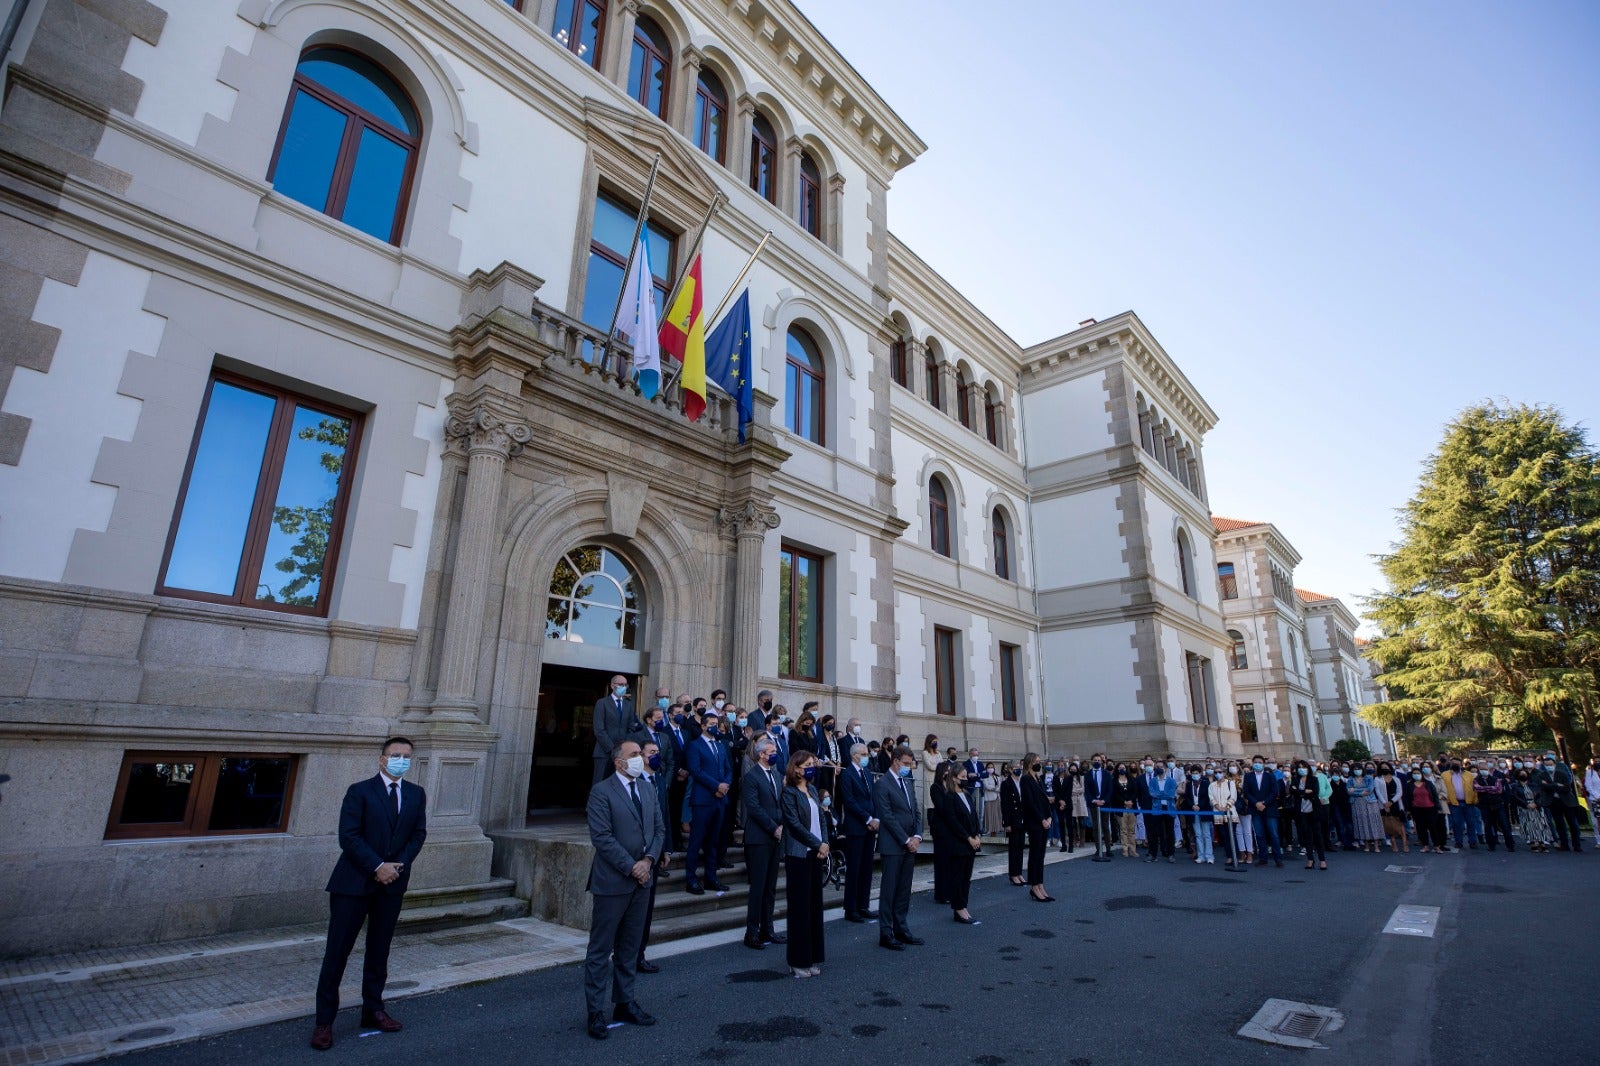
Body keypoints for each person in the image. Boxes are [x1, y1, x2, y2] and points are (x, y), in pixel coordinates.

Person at [311, 737, 427, 1051]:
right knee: (337, 952)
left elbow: (418, 834)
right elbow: (349, 836)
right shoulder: (359, 791)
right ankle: (324, 1021)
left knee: (379, 950)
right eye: (396, 755)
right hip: (353, 883)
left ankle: (373, 1009)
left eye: (406, 756)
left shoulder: (416, 794)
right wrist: (378, 866)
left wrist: (397, 866)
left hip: (392, 884)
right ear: (382, 759)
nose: (401, 760)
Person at [581, 740, 661, 1040]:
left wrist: (648, 860)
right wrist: (632, 866)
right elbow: (602, 837)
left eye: (641, 753)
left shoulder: (648, 789)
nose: (640, 758)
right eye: (634, 754)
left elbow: (659, 829)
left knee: (629, 947)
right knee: (601, 949)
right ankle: (595, 1010)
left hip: (642, 881)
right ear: (618, 762)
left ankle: (624, 1002)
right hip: (613, 882)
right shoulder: (602, 792)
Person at [778, 751, 828, 979]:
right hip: (799, 854)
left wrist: (825, 842)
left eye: (812, 764)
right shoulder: (789, 793)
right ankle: (797, 960)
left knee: (814, 907)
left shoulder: (812, 791)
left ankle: (812, 956)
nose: (811, 768)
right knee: (799, 909)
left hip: (816, 853)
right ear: (796, 768)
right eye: (807, 764)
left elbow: (822, 819)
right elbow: (795, 825)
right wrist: (818, 844)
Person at [872, 745, 925, 950]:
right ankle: (886, 932)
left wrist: (917, 836)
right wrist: (905, 840)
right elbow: (887, 816)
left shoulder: (907, 782)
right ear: (895, 761)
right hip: (893, 845)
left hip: (910, 845)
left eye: (910, 764)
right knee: (889, 890)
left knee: (904, 889)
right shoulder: (882, 784)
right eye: (905, 763)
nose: (908, 767)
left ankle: (901, 927)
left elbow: (916, 812)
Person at [740, 736, 785, 950]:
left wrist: (782, 825)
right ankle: (752, 932)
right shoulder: (751, 777)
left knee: (770, 887)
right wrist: (773, 827)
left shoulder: (776, 775)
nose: (774, 755)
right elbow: (754, 808)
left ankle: (768, 928)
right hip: (759, 838)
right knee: (758, 887)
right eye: (771, 752)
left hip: (775, 837)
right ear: (761, 754)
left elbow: (780, 803)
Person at [683, 710, 732, 894]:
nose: (714, 727)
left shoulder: (719, 746)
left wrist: (725, 785)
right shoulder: (695, 745)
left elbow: (728, 769)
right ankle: (691, 879)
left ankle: (711, 878)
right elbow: (696, 771)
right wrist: (716, 786)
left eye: (715, 724)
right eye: (710, 724)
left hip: (720, 800)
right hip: (703, 799)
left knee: (713, 841)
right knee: (696, 841)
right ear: (703, 726)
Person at [635, 739, 671, 974]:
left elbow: (664, 817)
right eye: (651, 752)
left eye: (658, 752)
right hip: (637, 855)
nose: (656, 756)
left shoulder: (659, 780)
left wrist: (666, 848)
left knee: (647, 908)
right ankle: (627, 953)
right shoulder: (635, 781)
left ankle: (640, 954)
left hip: (655, 852)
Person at [932, 762, 983, 925]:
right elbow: (953, 821)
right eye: (962, 777)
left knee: (966, 877)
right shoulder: (949, 797)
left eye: (966, 776)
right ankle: (958, 908)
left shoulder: (967, 795)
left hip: (971, 842)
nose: (965, 779)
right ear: (954, 778)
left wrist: (977, 835)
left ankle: (963, 906)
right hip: (959, 843)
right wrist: (968, 838)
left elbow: (974, 816)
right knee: (958, 877)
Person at [838, 742, 879, 923]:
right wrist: (867, 819)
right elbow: (850, 801)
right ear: (854, 755)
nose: (866, 757)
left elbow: (873, 798)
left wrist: (876, 818)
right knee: (854, 868)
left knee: (866, 868)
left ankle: (863, 905)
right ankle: (851, 908)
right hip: (856, 827)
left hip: (870, 827)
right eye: (863, 754)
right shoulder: (847, 774)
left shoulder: (868, 773)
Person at [592, 675, 643, 784]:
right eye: (620, 684)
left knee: (620, 783)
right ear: (612, 686)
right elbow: (599, 730)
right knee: (600, 783)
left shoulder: (628, 705)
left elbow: (631, 728)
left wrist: (624, 749)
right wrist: (612, 749)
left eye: (625, 685)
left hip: (622, 755)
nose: (623, 687)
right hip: (604, 752)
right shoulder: (602, 703)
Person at [1531, 753, 1585, 852]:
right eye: (1546, 765)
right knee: (1559, 824)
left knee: (1573, 824)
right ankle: (1564, 844)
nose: (1549, 766)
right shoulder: (1542, 775)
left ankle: (1576, 845)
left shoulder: (1562, 774)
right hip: (1553, 802)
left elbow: (1567, 788)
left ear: (1554, 764)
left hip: (1567, 801)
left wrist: (1551, 785)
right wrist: (1557, 785)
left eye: (1550, 764)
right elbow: (1543, 788)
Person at [1019, 754, 1054, 901]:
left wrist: (1049, 816)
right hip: (1034, 822)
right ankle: (1034, 886)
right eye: (1036, 762)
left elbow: (1043, 799)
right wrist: (1041, 819)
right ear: (1029, 763)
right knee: (1035, 855)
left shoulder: (1038, 778)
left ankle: (1040, 884)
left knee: (1041, 855)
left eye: (1040, 762)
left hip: (1044, 820)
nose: (1039, 764)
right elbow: (1030, 803)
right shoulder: (1026, 779)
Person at [1242, 757, 1284, 867]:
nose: (1257, 764)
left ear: (1264, 764)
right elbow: (1246, 792)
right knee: (1259, 834)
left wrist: (1264, 803)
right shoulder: (1248, 776)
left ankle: (1278, 859)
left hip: (1269, 808)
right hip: (1255, 808)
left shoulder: (1270, 776)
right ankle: (1263, 858)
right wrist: (1256, 803)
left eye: (1260, 762)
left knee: (1273, 834)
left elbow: (1274, 792)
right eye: (1255, 762)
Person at [1288, 761, 1327, 870]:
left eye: (1304, 767)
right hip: (1301, 811)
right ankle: (1310, 859)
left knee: (1317, 835)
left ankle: (1322, 860)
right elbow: (1292, 791)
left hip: (1313, 810)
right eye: (1299, 767)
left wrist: (1300, 792)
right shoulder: (1295, 779)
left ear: (1308, 768)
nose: (1302, 769)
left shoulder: (1313, 779)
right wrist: (1305, 792)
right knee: (1307, 835)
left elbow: (1315, 792)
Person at [1440, 758, 1481, 850]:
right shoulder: (1445, 775)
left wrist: (1475, 800)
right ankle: (1458, 842)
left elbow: (1474, 788)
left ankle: (1473, 842)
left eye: (1457, 763)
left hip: (1468, 802)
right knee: (1456, 824)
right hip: (1454, 803)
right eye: (1453, 763)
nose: (1455, 765)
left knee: (1471, 823)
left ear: (1461, 764)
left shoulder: (1469, 775)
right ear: (1450, 764)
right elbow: (1443, 788)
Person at [1509, 767, 1553, 851]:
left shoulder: (1534, 785)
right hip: (1524, 808)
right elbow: (1515, 797)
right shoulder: (1515, 786)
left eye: (1524, 773)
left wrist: (1536, 803)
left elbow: (1540, 795)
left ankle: (1542, 842)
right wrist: (1526, 804)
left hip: (1537, 807)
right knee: (1529, 825)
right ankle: (1533, 842)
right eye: (1521, 774)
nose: (1523, 775)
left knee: (1540, 825)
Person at [1179, 764, 1215, 863]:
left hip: (1204, 810)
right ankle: (1201, 855)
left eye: (1196, 773)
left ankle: (1209, 856)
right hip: (1193, 811)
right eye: (1193, 773)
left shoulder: (1206, 783)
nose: (1195, 775)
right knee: (1198, 834)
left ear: (1200, 773)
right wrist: (1192, 806)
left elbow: (1207, 797)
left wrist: (1199, 805)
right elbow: (1187, 797)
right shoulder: (1189, 784)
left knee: (1206, 834)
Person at [1144, 760, 1178, 863]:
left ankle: (1171, 854)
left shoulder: (1171, 781)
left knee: (1170, 832)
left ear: (1165, 768)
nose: (1159, 769)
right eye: (1157, 767)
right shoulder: (1153, 781)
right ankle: (1153, 854)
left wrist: (1160, 794)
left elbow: (1171, 795)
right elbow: (1152, 793)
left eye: (1161, 767)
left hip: (1169, 808)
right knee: (1154, 832)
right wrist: (1163, 794)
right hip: (1157, 808)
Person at [1474, 762, 1513, 852]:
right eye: (1481, 769)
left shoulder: (1495, 779)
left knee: (1504, 825)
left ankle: (1510, 845)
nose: (1484, 771)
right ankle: (1491, 845)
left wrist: (1485, 788)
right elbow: (1477, 788)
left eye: (1485, 769)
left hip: (1497, 804)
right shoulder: (1476, 780)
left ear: (1488, 770)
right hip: (1485, 805)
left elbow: (1499, 790)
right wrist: (1491, 788)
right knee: (1488, 826)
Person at [1408, 764, 1447, 853]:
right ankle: (1425, 845)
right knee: (1421, 828)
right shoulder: (1410, 785)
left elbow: (1435, 795)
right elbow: (1408, 797)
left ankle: (1437, 846)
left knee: (1433, 828)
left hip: (1430, 809)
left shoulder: (1428, 783)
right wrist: (1409, 810)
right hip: (1417, 809)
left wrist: (1437, 806)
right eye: (1414, 773)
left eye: (1418, 773)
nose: (1416, 775)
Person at [1347, 764, 1384, 852]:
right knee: (1361, 823)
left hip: (1370, 803)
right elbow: (1349, 791)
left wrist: (1355, 790)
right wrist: (1361, 792)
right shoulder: (1350, 779)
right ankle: (1366, 845)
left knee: (1373, 822)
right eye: (1355, 769)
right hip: (1357, 804)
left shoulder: (1368, 778)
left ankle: (1376, 846)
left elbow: (1370, 789)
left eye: (1359, 768)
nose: (1357, 770)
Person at [1000, 761, 1026, 884]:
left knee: (1020, 846)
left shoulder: (1022, 782)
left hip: (1022, 817)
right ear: (1010, 770)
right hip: (1012, 818)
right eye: (1016, 768)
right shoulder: (1006, 784)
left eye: (1019, 768)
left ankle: (1019, 872)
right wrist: (1007, 823)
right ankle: (1013, 874)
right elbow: (1004, 804)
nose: (1018, 770)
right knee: (1014, 847)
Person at [1209, 764, 1239, 867]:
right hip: (1218, 813)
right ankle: (1229, 856)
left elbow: (1233, 796)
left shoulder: (1230, 783)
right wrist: (1217, 806)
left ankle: (1236, 856)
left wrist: (1227, 806)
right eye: (1216, 772)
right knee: (1224, 836)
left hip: (1230, 812)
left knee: (1232, 835)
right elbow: (1211, 798)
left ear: (1224, 773)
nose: (1218, 774)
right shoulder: (1212, 785)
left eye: (1220, 772)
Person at [1083, 754, 1115, 851]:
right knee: (1096, 826)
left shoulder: (1107, 774)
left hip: (1105, 803)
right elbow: (1087, 790)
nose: (1097, 762)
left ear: (1101, 762)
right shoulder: (1088, 775)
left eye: (1099, 760)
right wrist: (1094, 800)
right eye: (1095, 760)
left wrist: (1104, 800)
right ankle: (1098, 849)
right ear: (1091, 761)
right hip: (1093, 804)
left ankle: (1108, 849)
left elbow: (1110, 789)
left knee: (1105, 826)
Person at [1376, 763, 1409, 853]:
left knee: (1400, 823)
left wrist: (1391, 802)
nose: (1385, 769)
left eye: (1386, 767)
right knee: (1389, 824)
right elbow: (1378, 792)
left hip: (1396, 803)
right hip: (1384, 804)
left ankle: (1405, 844)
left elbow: (1399, 792)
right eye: (1383, 768)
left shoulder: (1396, 779)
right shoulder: (1377, 779)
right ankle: (1393, 842)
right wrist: (1385, 803)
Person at [1111, 762, 1139, 858]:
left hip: (1132, 807)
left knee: (1131, 830)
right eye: (1120, 768)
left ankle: (1133, 850)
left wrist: (1131, 801)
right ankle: (1125, 849)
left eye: (1123, 768)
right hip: (1121, 807)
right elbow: (1114, 794)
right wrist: (1124, 802)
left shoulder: (1131, 780)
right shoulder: (1114, 781)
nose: (1122, 769)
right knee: (1123, 830)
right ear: (1117, 769)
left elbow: (1135, 792)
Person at [1053, 759, 1076, 852]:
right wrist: (1060, 801)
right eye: (1059, 766)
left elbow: (1069, 791)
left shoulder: (1069, 777)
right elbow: (1055, 791)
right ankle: (1063, 845)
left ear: (1065, 767)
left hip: (1067, 803)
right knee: (1061, 824)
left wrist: (1064, 802)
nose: (1060, 767)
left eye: (1062, 766)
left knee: (1069, 825)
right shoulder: (1055, 778)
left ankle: (1071, 845)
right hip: (1058, 804)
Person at [1586, 757, 1600, 847]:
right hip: (1595, 800)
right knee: (1596, 822)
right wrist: (1597, 796)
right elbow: (1588, 786)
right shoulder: (1589, 773)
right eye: (1596, 761)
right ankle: (1598, 840)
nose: (1597, 763)